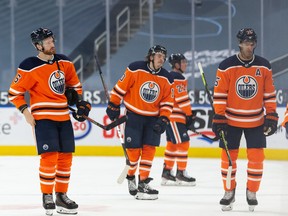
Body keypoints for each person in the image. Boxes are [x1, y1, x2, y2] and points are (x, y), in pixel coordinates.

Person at [8, 27, 91, 215]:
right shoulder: (29, 65)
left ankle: (61, 195)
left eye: (52, 41)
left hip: (63, 116)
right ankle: (47, 195)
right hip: (43, 118)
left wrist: (79, 103)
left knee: (65, 158)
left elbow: (74, 85)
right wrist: (25, 111)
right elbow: (14, 93)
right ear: (38, 45)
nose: (52, 44)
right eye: (47, 42)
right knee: (49, 157)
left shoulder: (64, 62)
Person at [212, 28, 278, 212]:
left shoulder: (264, 66)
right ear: (239, 43)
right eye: (247, 43)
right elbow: (219, 94)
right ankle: (229, 191)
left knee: (257, 159)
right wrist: (219, 116)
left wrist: (271, 114)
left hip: (256, 120)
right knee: (227, 159)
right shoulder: (226, 66)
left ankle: (252, 191)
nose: (250, 46)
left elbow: (269, 94)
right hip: (231, 121)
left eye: (252, 42)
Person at [106, 45, 174, 200]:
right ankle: (131, 176)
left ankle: (143, 182)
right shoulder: (135, 68)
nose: (161, 59)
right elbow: (119, 89)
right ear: (151, 57)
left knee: (149, 150)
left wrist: (164, 118)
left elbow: (167, 102)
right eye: (158, 56)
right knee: (134, 153)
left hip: (153, 118)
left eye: (163, 57)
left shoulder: (167, 78)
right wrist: (113, 105)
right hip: (133, 116)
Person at [161, 53, 196, 186]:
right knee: (184, 143)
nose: (185, 64)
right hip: (175, 116)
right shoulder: (177, 77)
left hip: (169, 115)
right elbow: (182, 98)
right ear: (176, 64)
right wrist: (189, 114)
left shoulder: (170, 77)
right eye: (183, 62)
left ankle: (167, 172)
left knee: (172, 144)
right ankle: (181, 173)